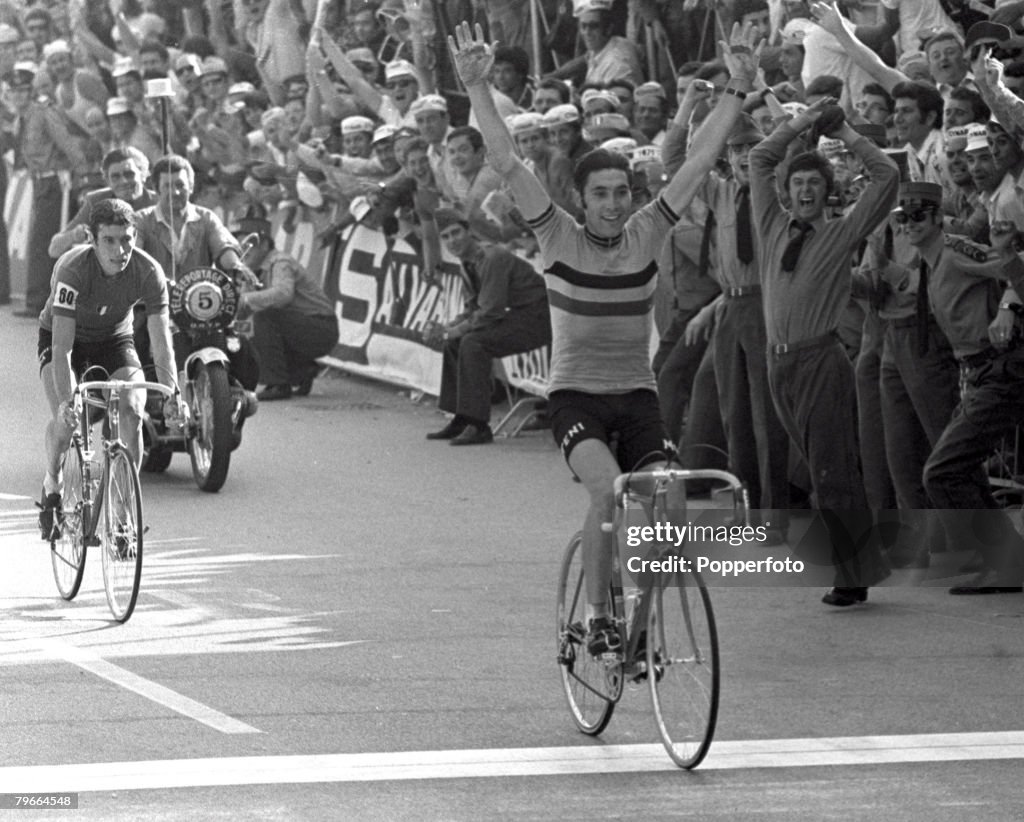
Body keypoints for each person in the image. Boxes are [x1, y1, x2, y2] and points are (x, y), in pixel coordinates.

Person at [448, 20, 759, 655]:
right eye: (601, 195)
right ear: (581, 200)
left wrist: (740, 89)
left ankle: (642, 623)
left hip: (637, 398)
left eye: (621, 192)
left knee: (665, 508)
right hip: (576, 401)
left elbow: (698, 160)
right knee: (609, 490)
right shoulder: (557, 235)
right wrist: (478, 88)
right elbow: (507, 159)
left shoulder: (648, 231)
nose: (615, 204)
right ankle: (597, 615)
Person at [749, 97, 899, 607]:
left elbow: (886, 176)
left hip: (820, 360)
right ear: (787, 193)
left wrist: (848, 133)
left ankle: (853, 576)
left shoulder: (840, 234)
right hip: (779, 363)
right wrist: (800, 122)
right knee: (816, 469)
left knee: (833, 468)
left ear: (827, 192)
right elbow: (758, 160)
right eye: (799, 184)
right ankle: (854, 558)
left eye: (815, 183)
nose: (806, 189)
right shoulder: (771, 226)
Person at [35, 199, 181, 540]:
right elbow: (62, 347)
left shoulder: (148, 271)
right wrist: (66, 401)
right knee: (68, 420)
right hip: (66, 341)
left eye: (127, 239)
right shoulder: (72, 269)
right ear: (91, 238)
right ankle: (52, 480)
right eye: (110, 241)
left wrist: (174, 393)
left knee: (131, 409)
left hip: (116, 341)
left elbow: (161, 343)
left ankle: (122, 512)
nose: (121, 250)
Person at [421, 207, 552, 445]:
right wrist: (447, 328)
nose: (452, 241)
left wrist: (454, 331)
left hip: (542, 318)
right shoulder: (467, 263)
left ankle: (478, 425)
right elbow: (473, 310)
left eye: (456, 233)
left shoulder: (492, 258)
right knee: (456, 342)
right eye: (446, 237)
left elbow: (490, 312)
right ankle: (460, 418)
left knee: (473, 342)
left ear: (469, 231)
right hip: (520, 316)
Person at [236, 217, 339, 401]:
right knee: (254, 328)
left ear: (265, 244)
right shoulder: (252, 271)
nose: (244, 249)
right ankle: (302, 371)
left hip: (321, 327)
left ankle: (278, 385)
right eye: (240, 243)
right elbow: (244, 311)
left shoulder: (279, 262)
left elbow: (283, 295)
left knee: (265, 319)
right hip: (307, 326)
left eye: (250, 243)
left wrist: (245, 300)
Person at [48, 147, 156, 259]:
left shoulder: (158, 203)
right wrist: (74, 236)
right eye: (115, 177)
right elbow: (54, 249)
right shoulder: (96, 202)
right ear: (108, 182)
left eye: (129, 174)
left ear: (143, 175)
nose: (123, 182)